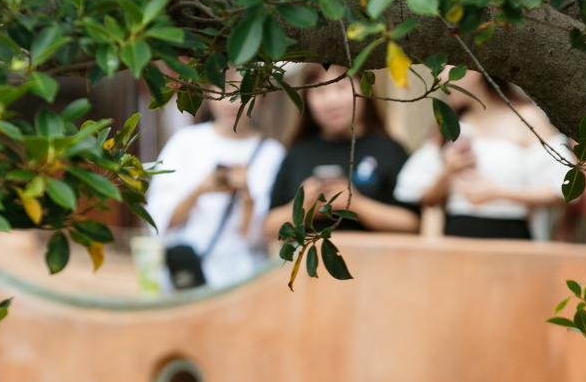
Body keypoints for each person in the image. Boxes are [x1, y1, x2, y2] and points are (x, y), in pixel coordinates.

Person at [145, 75, 286, 290]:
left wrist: (247, 194)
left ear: (262, 96)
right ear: (207, 93)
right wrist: (200, 190)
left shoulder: (272, 154)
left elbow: (261, 235)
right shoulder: (185, 142)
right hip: (188, 276)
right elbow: (159, 220)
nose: (233, 101)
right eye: (223, 91)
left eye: (244, 91)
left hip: (244, 279)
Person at [394, 71, 572, 239]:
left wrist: (500, 193)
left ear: (473, 73)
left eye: (448, 66)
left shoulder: (527, 118)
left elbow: (565, 188)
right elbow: (419, 195)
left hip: (508, 235)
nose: (440, 75)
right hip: (456, 236)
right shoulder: (450, 124)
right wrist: (446, 173)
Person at [264, 65, 418, 234]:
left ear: (364, 90)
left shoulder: (390, 150)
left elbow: (413, 223)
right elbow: (269, 227)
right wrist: (303, 206)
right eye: (319, 90)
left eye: (341, 87)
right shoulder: (297, 152)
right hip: (309, 258)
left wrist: (354, 204)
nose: (332, 101)